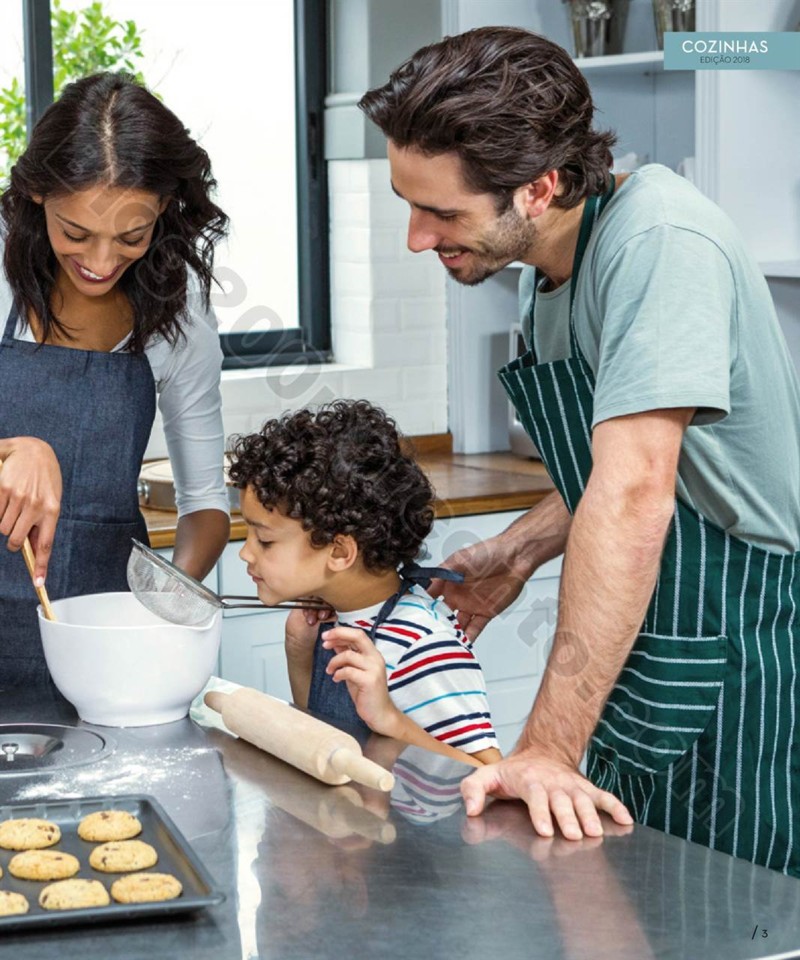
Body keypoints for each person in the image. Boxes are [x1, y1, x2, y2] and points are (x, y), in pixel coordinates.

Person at [358, 26, 800, 876]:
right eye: (408, 203)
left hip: (741, 648)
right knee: (635, 897)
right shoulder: (553, 262)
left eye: (442, 212)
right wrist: (518, 552)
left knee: (736, 912)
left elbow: (637, 491)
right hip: (659, 637)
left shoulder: (658, 243)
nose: (418, 237)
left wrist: (549, 747)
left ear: (541, 187)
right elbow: (628, 465)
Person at [0, 72, 231, 690]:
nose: (101, 263)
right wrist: (14, 451)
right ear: (35, 197)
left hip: (104, 650)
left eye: (131, 236)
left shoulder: (179, 313)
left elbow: (205, 506)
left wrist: (156, 610)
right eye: (75, 233)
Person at [228, 399, 501, 765]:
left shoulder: (422, 645)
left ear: (340, 552)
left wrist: (389, 719)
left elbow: (489, 773)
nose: (245, 553)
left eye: (264, 540)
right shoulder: (339, 618)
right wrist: (298, 652)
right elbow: (323, 739)